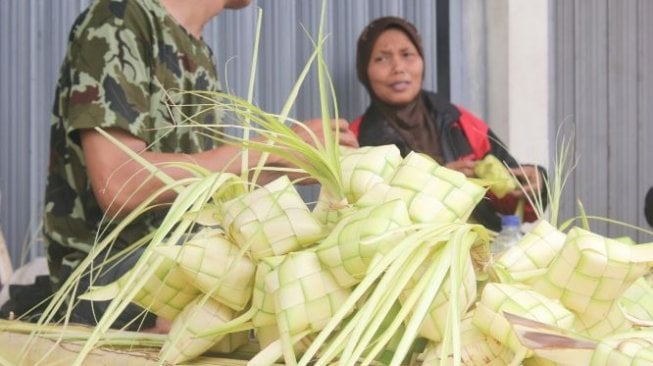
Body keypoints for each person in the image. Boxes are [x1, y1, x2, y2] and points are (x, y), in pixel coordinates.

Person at [38, 0, 358, 333]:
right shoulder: (121, 17)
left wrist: (288, 166)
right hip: (104, 279)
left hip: (181, 258)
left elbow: (208, 184)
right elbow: (119, 184)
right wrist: (271, 149)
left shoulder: (197, 50)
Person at [349, 16, 547, 232]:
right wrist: (436, 184)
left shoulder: (459, 121)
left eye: (407, 55)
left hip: (479, 254)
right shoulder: (355, 141)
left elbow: (513, 203)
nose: (398, 67)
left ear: (422, 62)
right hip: (401, 260)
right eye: (382, 59)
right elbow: (355, 223)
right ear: (364, 71)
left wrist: (535, 186)